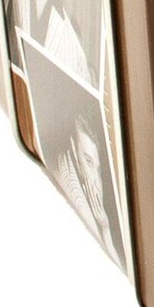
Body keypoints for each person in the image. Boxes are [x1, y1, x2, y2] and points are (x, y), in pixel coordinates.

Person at [56, 113, 124, 269]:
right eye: (88, 161)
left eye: (98, 170)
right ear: (74, 149)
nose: (95, 180)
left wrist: (105, 227)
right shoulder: (68, 179)